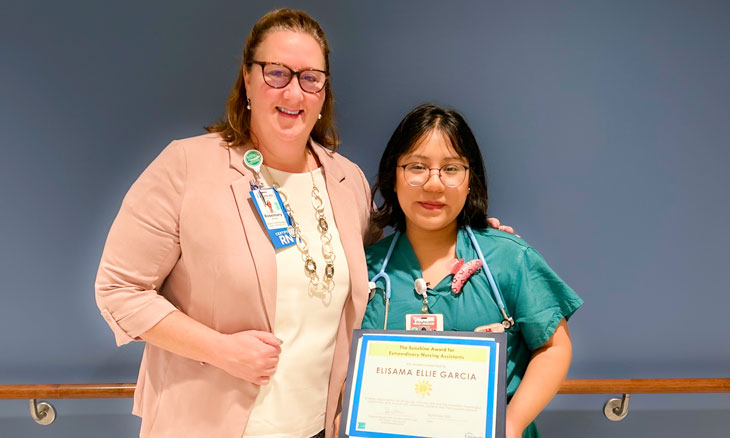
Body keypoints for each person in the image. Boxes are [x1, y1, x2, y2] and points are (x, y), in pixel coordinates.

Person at [361, 104, 583, 438]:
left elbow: (554, 346)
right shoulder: (366, 269)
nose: (434, 185)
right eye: (417, 167)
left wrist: (512, 423)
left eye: (451, 169)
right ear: (394, 176)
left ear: (469, 180)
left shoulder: (508, 258)